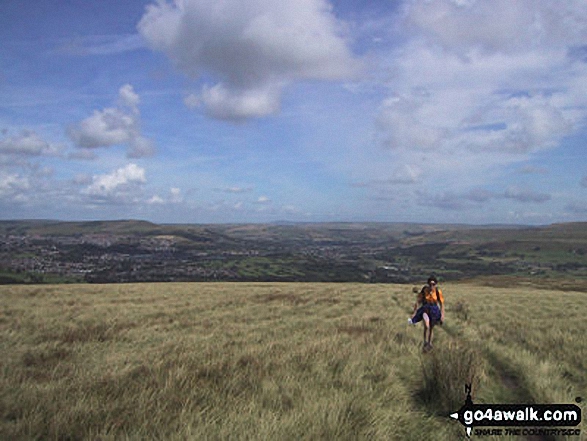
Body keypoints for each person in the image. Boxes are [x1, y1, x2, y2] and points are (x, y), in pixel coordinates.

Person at [408, 275, 445, 352]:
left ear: (435, 284)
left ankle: (429, 343)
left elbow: (441, 304)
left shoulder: (438, 292)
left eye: (433, 284)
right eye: (430, 284)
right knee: (427, 326)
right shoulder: (424, 290)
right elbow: (418, 301)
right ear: (428, 284)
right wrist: (414, 313)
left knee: (431, 327)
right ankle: (425, 342)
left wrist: (442, 315)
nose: (432, 286)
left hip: (434, 310)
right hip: (425, 309)